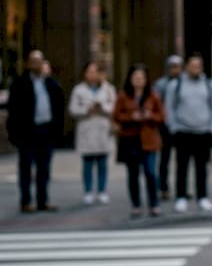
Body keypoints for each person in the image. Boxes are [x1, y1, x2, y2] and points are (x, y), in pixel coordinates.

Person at [6, 49, 66, 213]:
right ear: (28, 64)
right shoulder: (20, 84)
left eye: (39, 61)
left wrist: (58, 131)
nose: (36, 65)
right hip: (27, 132)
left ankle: (42, 200)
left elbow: (59, 107)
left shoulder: (50, 83)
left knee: (44, 168)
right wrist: (14, 134)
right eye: (33, 61)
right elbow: (13, 111)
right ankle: (25, 201)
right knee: (26, 168)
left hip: (46, 130)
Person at [164, 52, 212, 212]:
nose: (196, 69)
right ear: (186, 66)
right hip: (183, 131)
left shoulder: (208, 84)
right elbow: (169, 107)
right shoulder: (176, 85)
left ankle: (202, 197)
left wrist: (211, 127)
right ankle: (181, 197)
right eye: (193, 66)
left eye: (199, 66)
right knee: (182, 167)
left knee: (201, 168)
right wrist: (173, 127)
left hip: (202, 131)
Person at [112, 64, 166, 217]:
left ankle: (154, 204)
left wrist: (150, 116)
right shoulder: (123, 95)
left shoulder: (153, 95)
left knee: (150, 172)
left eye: (141, 78)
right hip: (131, 139)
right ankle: (136, 204)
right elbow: (116, 116)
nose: (138, 80)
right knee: (133, 174)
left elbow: (162, 116)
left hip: (149, 139)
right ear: (130, 79)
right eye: (135, 77)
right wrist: (131, 117)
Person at [67, 61, 117, 205]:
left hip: (102, 129)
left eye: (95, 72)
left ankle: (102, 191)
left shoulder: (108, 89)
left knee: (102, 163)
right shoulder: (78, 90)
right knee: (87, 164)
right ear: (85, 73)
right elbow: (73, 109)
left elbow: (114, 107)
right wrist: (86, 110)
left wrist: (103, 107)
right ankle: (88, 191)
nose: (92, 75)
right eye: (90, 72)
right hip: (87, 130)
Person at [153, 54, 183, 200]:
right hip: (165, 126)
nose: (175, 70)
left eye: (177, 67)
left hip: (182, 125)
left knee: (182, 160)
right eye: (172, 67)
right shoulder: (161, 84)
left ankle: (181, 188)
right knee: (164, 159)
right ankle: (163, 187)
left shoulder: (185, 83)